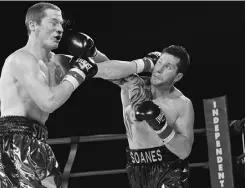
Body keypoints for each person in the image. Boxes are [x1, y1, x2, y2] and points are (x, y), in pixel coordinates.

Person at [0, 2, 157, 187]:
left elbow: (106, 69)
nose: (60, 29)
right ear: (33, 25)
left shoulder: (60, 61)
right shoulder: (21, 60)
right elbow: (48, 102)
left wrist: (146, 63)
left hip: (36, 140)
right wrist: (77, 74)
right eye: (53, 22)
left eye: (61, 24)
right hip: (13, 139)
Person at [96, 45, 194, 188]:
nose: (159, 69)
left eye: (168, 67)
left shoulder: (181, 104)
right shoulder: (134, 86)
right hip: (136, 168)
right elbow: (107, 67)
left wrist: (162, 127)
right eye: (159, 62)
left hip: (169, 169)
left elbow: (184, 151)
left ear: (178, 76)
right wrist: (92, 52)